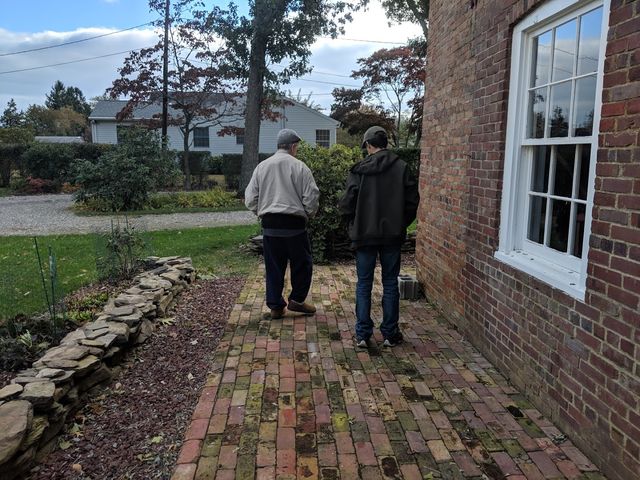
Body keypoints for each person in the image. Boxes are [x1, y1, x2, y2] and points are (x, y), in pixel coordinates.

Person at [338, 126, 419, 347]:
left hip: (365, 235)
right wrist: (400, 224)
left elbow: (347, 204)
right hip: (392, 235)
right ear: (385, 143)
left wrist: (353, 225)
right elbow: (412, 202)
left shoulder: (359, 170)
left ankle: (363, 334)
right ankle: (390, 333)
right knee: (390, 282)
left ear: (368, 145)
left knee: (364, 283)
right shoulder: (402, 167)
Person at [245, 128, 320, 319]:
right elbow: (311, 197)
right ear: (293, 146)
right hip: (295, 225)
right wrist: (308, 214)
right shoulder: (300, 167)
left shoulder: (262, 167)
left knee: (274, 267)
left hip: (270, 224)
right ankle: (297, 300)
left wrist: (260, 212)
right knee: (302, 264)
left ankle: (276, 306)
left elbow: (250, 198)